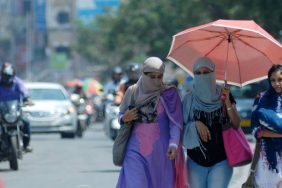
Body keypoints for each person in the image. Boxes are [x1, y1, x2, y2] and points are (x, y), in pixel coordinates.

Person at [116, 57, 187, 188]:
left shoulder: (169, 94)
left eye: (159, 76)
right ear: (143, 74)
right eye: (152, 76)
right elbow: (120, 114)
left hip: (162, 153)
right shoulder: (132, 92)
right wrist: (124, 118)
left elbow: (175, 123)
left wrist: (173, 144)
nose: (156, 80)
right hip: (135, 149)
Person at [182, 57, 241, 188]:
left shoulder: (225, 95)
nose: (202, 76)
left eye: (206, 72)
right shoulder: (188, 99)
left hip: (222, 160)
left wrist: (226, 102)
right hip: (194, 161)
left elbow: (236, 124)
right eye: (198, 73)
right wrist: (195, 124)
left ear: (213, 73)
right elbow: (180, 129)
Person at [251, 64, 282, 188]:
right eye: (273, 80)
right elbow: (256, 131)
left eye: (280, 79)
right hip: (267, 160)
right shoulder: (261, 98)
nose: (276, 83)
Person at [0, 62, 33, 152]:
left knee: (26, 122)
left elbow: (24, 91)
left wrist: (28, 99)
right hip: (2, 112)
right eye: (5, 75)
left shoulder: (17, 82)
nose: (7, 78)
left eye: (9, 75)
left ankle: (26, 144)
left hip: (15, 110)